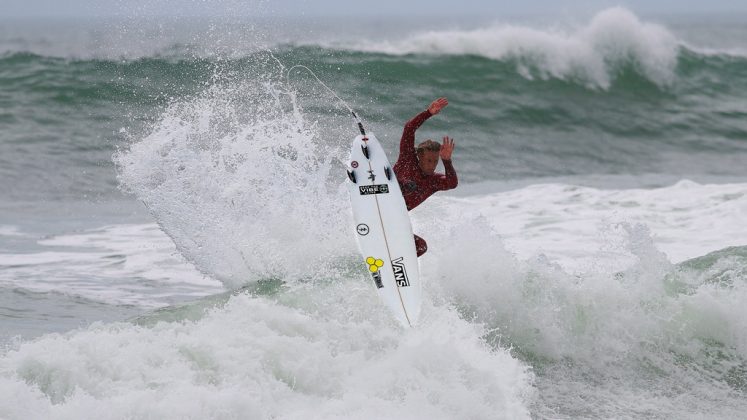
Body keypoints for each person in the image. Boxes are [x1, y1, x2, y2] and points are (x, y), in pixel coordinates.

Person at [393, 97, 458, 257]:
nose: (432, 164)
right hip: (381, 200)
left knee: (420, 247)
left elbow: (451, 183)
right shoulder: (407, 160)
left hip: (396, 219)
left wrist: (447, 161)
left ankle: (398, 266)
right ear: (419, 156)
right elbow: (409, 128)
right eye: (429, 160)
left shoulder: (434, 182)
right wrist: (428, 113)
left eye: (435, 161)